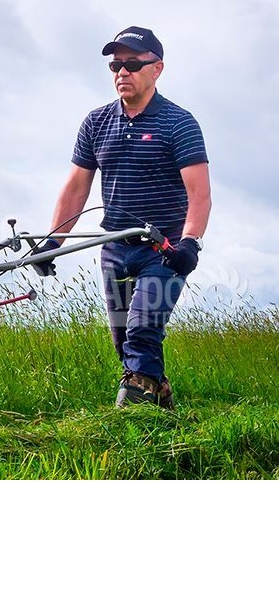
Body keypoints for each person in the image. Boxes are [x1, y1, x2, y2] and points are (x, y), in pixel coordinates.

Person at [36, 26, 211, 408]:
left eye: (132, 63)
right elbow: (76, 187)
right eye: (116, 65)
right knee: (124, 340)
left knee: (143, 329)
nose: (122, 72)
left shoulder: (179, 123)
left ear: (157, 68)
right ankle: (161, 404)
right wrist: (53, 241)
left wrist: (190, 243)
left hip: (163, 249)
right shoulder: (97, 122)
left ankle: (130, 418)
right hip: (114, 247)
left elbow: (199, 194)